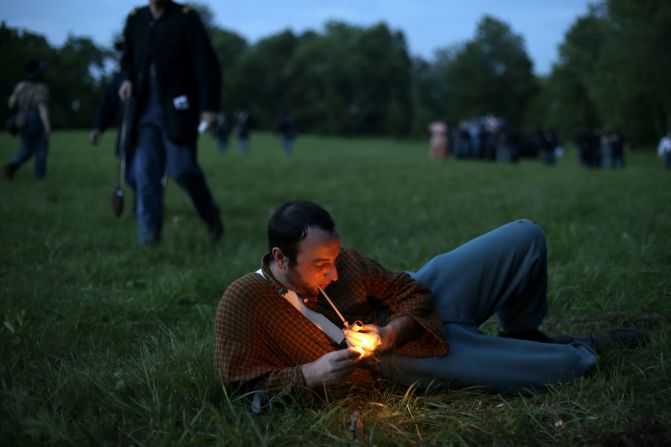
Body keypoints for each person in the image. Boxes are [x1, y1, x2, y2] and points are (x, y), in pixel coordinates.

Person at [214, 200, 648, 406]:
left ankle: (524, 334)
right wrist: (309, 374)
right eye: (320, 264)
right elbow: (238, 384)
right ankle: (578, 350)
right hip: (390, 364)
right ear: (279, 258)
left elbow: (412, 292)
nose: (332, 272)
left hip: (400, 325)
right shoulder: (244, 300)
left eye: (335, 258)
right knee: (559, 370)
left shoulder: (343, 262)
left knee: (525, 237)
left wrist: (389, 331)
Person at [118, 0, 223, 244]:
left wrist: (210, 108)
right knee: (146, 177)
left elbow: (207, 65)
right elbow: (127, 59)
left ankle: (210, 215)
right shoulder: (136, 18)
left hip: (179, 110)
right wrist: (125, 80)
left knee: (182, 170)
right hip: (144, 110)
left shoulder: (187, 18)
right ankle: (149, 240)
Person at [4, 59, 51, 180]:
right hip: (35, 119)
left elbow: (10, 104)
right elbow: (42, 108)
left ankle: (13, 164)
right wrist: (47, 127)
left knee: (26, 148)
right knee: (41, 149)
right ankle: (40, 178)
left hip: (22, 119)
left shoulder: (20, 86)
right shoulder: (41, 88)